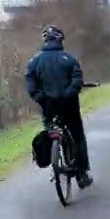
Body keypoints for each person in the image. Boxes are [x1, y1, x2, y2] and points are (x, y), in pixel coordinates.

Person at [25, 25, 93, 188]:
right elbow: (77, 80)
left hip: (48, 106)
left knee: (50, 130)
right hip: (69, 105)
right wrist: (68, 95)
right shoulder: (69, 59)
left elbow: (31, 85)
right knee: (77, 136)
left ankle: (54, 163)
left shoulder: (34, 62)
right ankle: (82, 173)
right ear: (60, 40)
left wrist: (42, 98)